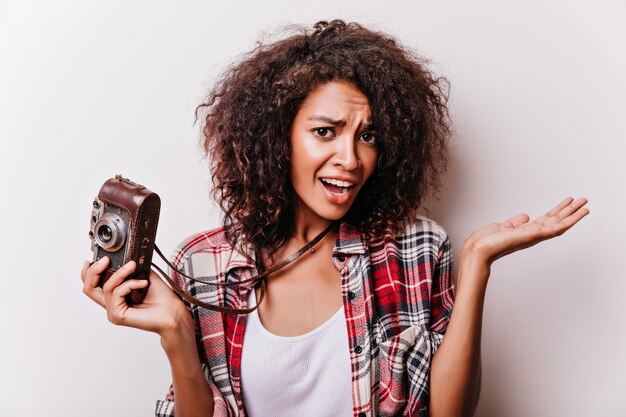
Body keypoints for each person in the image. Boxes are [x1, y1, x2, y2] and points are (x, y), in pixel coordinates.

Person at [81, 20, 589, 417]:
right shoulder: (203, 264)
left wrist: (476, 262)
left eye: (367, 136)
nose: (351, 158)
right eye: (325, 131)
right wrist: (174, 332)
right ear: (277, 137)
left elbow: (450, 411)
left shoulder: (414, 249)